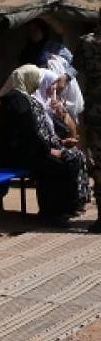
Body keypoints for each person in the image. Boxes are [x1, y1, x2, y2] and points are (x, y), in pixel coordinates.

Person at [0, 65, 87, 225]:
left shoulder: (24, 98)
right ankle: (53, 213)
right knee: (60, 163)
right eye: (36, 80)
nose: (38, 84)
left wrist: (60, 144)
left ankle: (67, 208)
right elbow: (29, 134)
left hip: (33, 150)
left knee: (73, 156)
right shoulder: (18, 102)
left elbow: (39, 134)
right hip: (23, 154)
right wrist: (49, 150)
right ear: (27, 79)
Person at [75, 15, 101, 233]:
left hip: (95, 112)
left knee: (98, 164)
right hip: (94, 113)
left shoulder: (86, 42)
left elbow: (77, 73)